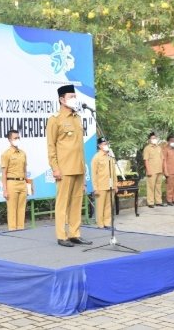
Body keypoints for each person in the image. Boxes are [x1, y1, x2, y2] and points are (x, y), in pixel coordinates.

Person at [46, 84, 92, 247]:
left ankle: (74, 233)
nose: (74, 99)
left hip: (78, 167)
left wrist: (84, 169)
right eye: (70, 96)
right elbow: (51, 146)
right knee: (62, 203)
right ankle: (61, 235)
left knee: (76, 202)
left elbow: (80, 146)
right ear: (61, 99)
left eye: (75, 96)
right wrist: (55, 168)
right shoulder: (55, 119)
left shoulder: (77, 117)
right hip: (64, 169)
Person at [1, 129, 33, 230]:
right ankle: (12, 231)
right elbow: (4, 173)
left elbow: (25, 170)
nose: (17, 139)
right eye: (15, 138)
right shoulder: (6, 154)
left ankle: (21, 230)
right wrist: (5, 190)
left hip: (22, 183)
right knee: (12, 210)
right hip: (12, 183)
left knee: (22, 209)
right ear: (9, 140)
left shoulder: (23, 153)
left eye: (18, 138)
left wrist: (28, 186)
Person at [90, 137, 117, 229]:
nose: (106, 145)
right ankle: (100, 225)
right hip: (101, 185)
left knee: (109, 206)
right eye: (104, 144)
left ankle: (107, 223)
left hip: (111, 185)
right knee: (100, 206)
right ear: (99, 146)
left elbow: (114, 172)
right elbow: (93, 174)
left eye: (106, 143)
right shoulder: (96, 157)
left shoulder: (111, 156)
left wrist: (115, 185)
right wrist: (95, 188)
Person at [143, 132, 166, 208]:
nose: (154, 139)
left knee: (158, 186)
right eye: (153, 138)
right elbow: (146, 160)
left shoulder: (159, 147)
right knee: (151, 187)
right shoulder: (147, 148)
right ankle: (150, 202)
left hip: (159, 170)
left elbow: (162, 159)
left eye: (155, 138)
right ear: (149, 140)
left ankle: (158, 201)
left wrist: (162, 168)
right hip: (151, 171)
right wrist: (148, 170)